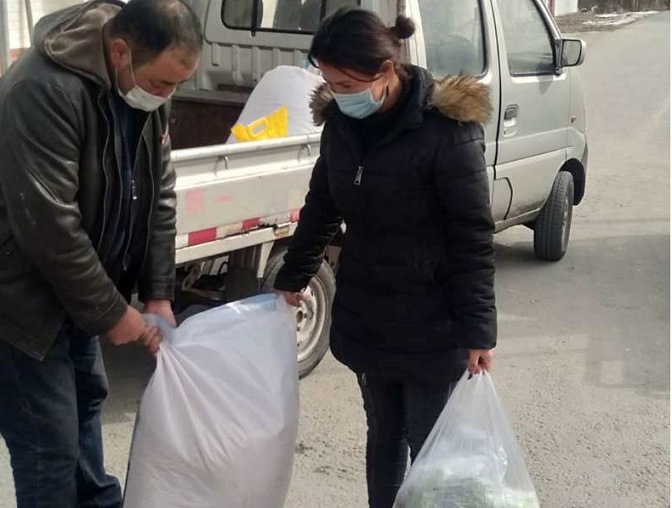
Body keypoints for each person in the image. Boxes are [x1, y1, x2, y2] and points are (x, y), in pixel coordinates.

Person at [274, 8, 497, 508]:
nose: (339, 94)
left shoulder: (447, 130)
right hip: (368, 313)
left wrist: (479, 331)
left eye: (348, 84)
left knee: (429, 446)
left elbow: (472, 237)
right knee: (383, 435)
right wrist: (295, 274)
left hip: (432, 321)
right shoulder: (341, 125)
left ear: (386, 70)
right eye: (330, 83)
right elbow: (322, 205)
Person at [0, 0, 202, 506]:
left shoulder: (146, 90)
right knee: (49, 447)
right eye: (161, 83)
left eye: (177, 85)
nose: (167, 96)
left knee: (86, 405)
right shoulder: (42, 90)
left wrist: (158, 292)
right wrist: (113, 313)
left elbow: (159, 193)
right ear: (119, 52)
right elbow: (50, 226)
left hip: (80, 292)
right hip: (20, 305)